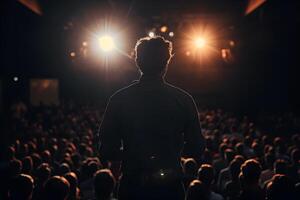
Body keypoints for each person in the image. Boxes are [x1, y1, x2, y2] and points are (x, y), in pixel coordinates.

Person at [98, 36, 205, 200]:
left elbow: (106, 150)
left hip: (133, 186)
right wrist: (170, 154)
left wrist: (133, 155)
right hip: (170, 188)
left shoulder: (118, 99)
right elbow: (196, 147)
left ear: (137, 61)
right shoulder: (183, 100)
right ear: (166, 62)